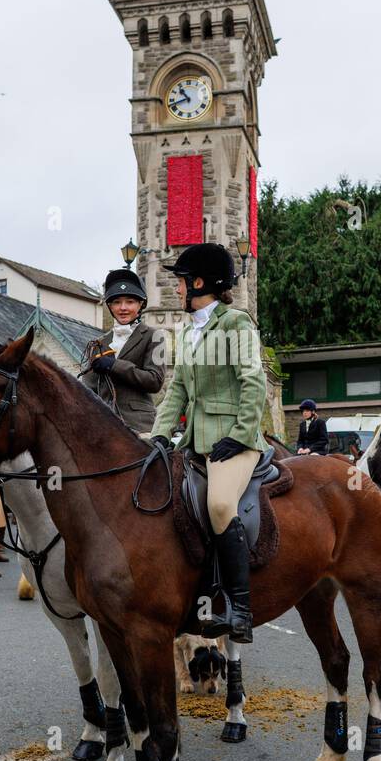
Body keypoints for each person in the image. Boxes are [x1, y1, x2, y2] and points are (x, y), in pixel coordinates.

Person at [151, 242, 267, 644]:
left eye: (181, 282)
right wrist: (160, 435)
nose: (177, 289)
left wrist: (239, 434)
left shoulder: (236, 323)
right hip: (196, 442)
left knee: (219, 504)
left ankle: (240, 611)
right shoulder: (187, 332)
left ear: (199, 283)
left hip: (235, 442)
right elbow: (178, 390)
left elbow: (254, 381)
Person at [80, 268, 165, 434]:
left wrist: (115, 365)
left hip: (139, 425)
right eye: (117, 302)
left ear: (141, 304)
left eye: (130, 302)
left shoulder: (154, 336)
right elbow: (88, 390)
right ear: (110, 306)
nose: (123, 308)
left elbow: (154, 381)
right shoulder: (98, 343)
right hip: (103, 426)